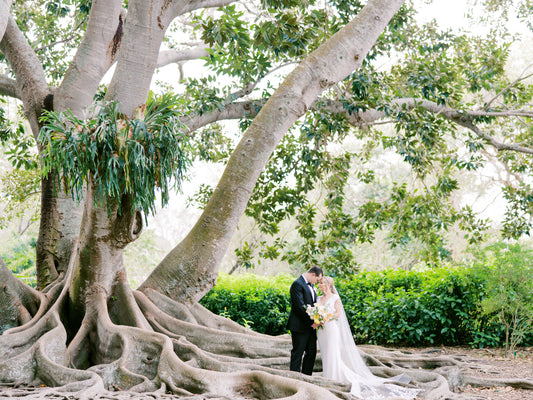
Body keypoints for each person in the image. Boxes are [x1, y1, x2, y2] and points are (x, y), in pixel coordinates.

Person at [316, 276, 420, 399]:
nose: (319, 285)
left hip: (331, 329)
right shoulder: (318, 298)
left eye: (321, 283)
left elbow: (337, 314)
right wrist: (318, 318)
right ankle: (328, 376)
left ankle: (334, 378)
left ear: (327, 285)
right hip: (322, 330)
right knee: (325, 353)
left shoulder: (335, 298)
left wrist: (326, 317)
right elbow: (317, 311)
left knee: (333, 353)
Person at [287, 266, 323, 375]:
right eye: (317, 279)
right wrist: (312, 322)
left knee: (311, 353)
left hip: (311, 327)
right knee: (298, 353)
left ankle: (307, 377)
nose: (317, 282)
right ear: (313, 274)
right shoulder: (297, 284)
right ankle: (295, 377)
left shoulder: (311, 286)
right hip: (299, 326)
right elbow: (299, 307)